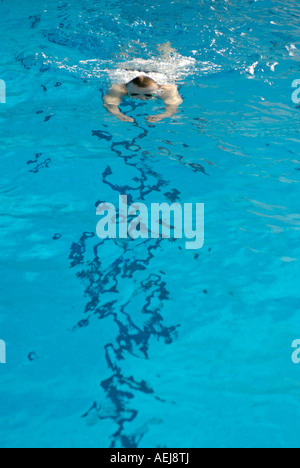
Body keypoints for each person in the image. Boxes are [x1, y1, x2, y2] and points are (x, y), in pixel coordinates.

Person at [103, 75, 183, 123]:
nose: (142, 98)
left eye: (148, 95)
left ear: (159, 89)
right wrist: (118, 114)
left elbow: (173, 105)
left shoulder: (167, 89)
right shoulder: (118, 89)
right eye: (134, 94)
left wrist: (164, 114)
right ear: (125, 89)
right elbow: (109, 104)